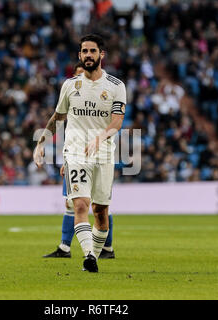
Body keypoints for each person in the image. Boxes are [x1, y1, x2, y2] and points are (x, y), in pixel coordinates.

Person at [34, 34, 126, 272]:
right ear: (79, 55)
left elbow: (117, 122)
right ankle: (87, 255)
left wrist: (100, 137)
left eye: (92, 51)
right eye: (84, 51)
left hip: (104, 154)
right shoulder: (69, 85)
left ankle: (93, 257)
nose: (88, 55)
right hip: (76, 153)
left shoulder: (116, 87)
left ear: (101, 55)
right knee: (80, 206)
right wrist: (41, 142)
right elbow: (58, 117)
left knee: (101, 212)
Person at [44, 62, 115, 259]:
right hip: (75, 156)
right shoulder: (72, 94)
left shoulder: (104, 93)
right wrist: (66, 159)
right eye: (78, 74)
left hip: (100, 156)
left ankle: (106, 248)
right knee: (74, 204)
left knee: (100, 205)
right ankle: (66, 247)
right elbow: (65, 128)